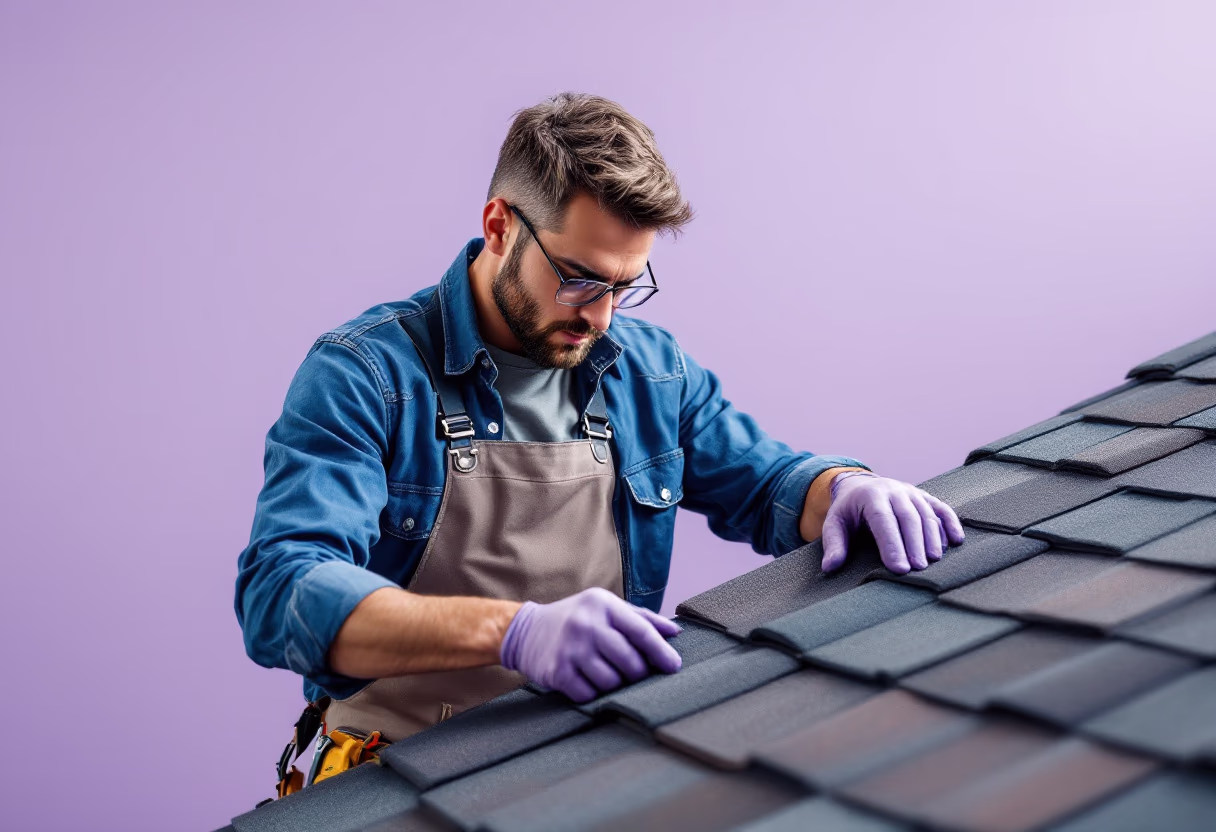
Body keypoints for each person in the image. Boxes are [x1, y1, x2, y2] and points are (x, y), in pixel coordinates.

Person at [234, 91, 966, 786]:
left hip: (581, 770)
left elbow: (769, 485)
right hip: (389, 774)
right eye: (580, 280)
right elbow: (284, 590)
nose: (602, 318)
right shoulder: (367, 373)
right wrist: (514, 632)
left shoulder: (650, 372)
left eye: (626, 285)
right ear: (499, 226)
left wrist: (841, 490)